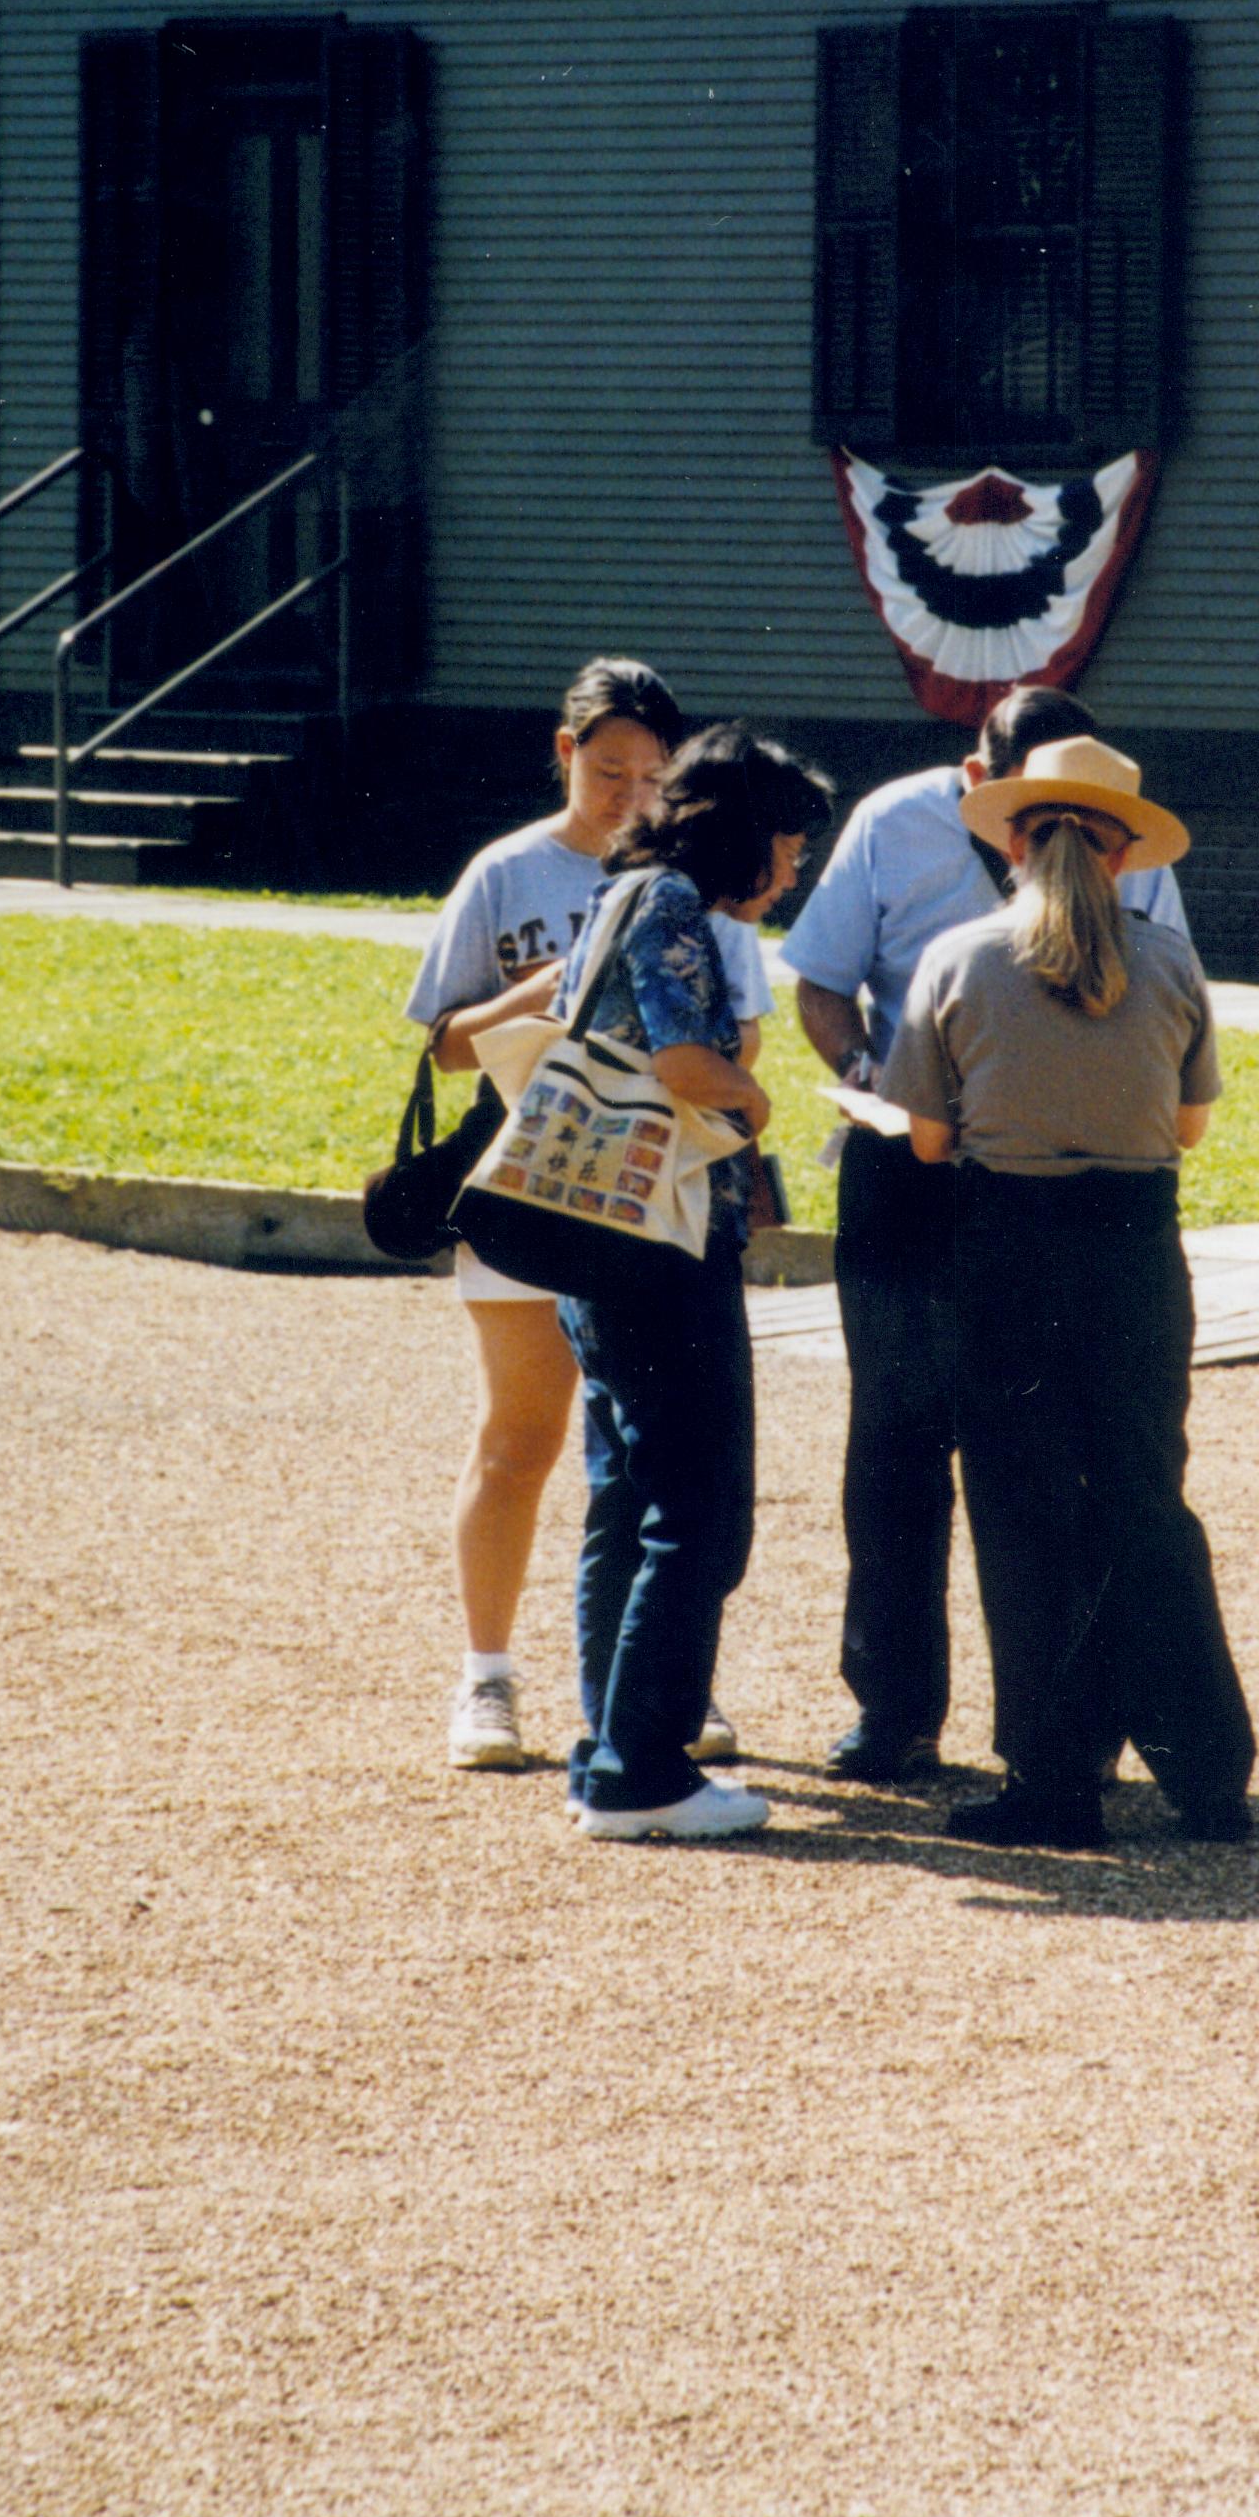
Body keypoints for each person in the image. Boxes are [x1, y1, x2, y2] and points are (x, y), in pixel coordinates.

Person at [781, 685, 1193, 1781]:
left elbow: (1163, 989)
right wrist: (868, 1072)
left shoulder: (1127, 839)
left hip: (1033, 1185)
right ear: (979, 777)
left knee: (1047, 1457)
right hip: (906, 1162)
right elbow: (819, 984)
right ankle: (896, 1709)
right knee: (897, 1443)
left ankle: (1072, 1730)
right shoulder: (889, 821)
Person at [878, 735, 1255, 1850]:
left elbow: (931, 1139)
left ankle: (1055, 1775)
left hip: (1009, 1245)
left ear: (1010, 838)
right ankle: (1206, 1771)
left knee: (1023, 1510)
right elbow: (1186, 1127)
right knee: (1145, 1498)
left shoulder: (959, 959)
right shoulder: (1172, 965)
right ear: (1126, 851)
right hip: (1135, 1247)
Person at [460, 723, 834, 1839]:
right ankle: (642, 1774)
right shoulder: (674, 905)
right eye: (789, 844)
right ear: (743, 835)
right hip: (658, 1245)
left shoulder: (623, 892)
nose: (795, 867)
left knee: (625, 1501)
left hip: (593, 1238)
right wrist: (756, 1106)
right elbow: (681, 1061)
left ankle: (608, 1754)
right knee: (698, 1511)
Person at [404, 659, 774, 1773]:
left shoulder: (700, 879)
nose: (628, 793)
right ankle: (486, 1680)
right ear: (564, 756)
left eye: (651, 776)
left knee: (639, 1460)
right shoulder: (507, 870)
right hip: (531, 1182)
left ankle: (639, 1691)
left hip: (647, 1198)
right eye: (607, 768)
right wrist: (565, 984)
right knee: (521, 1438)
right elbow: (445, 1036)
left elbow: (744, 1041)